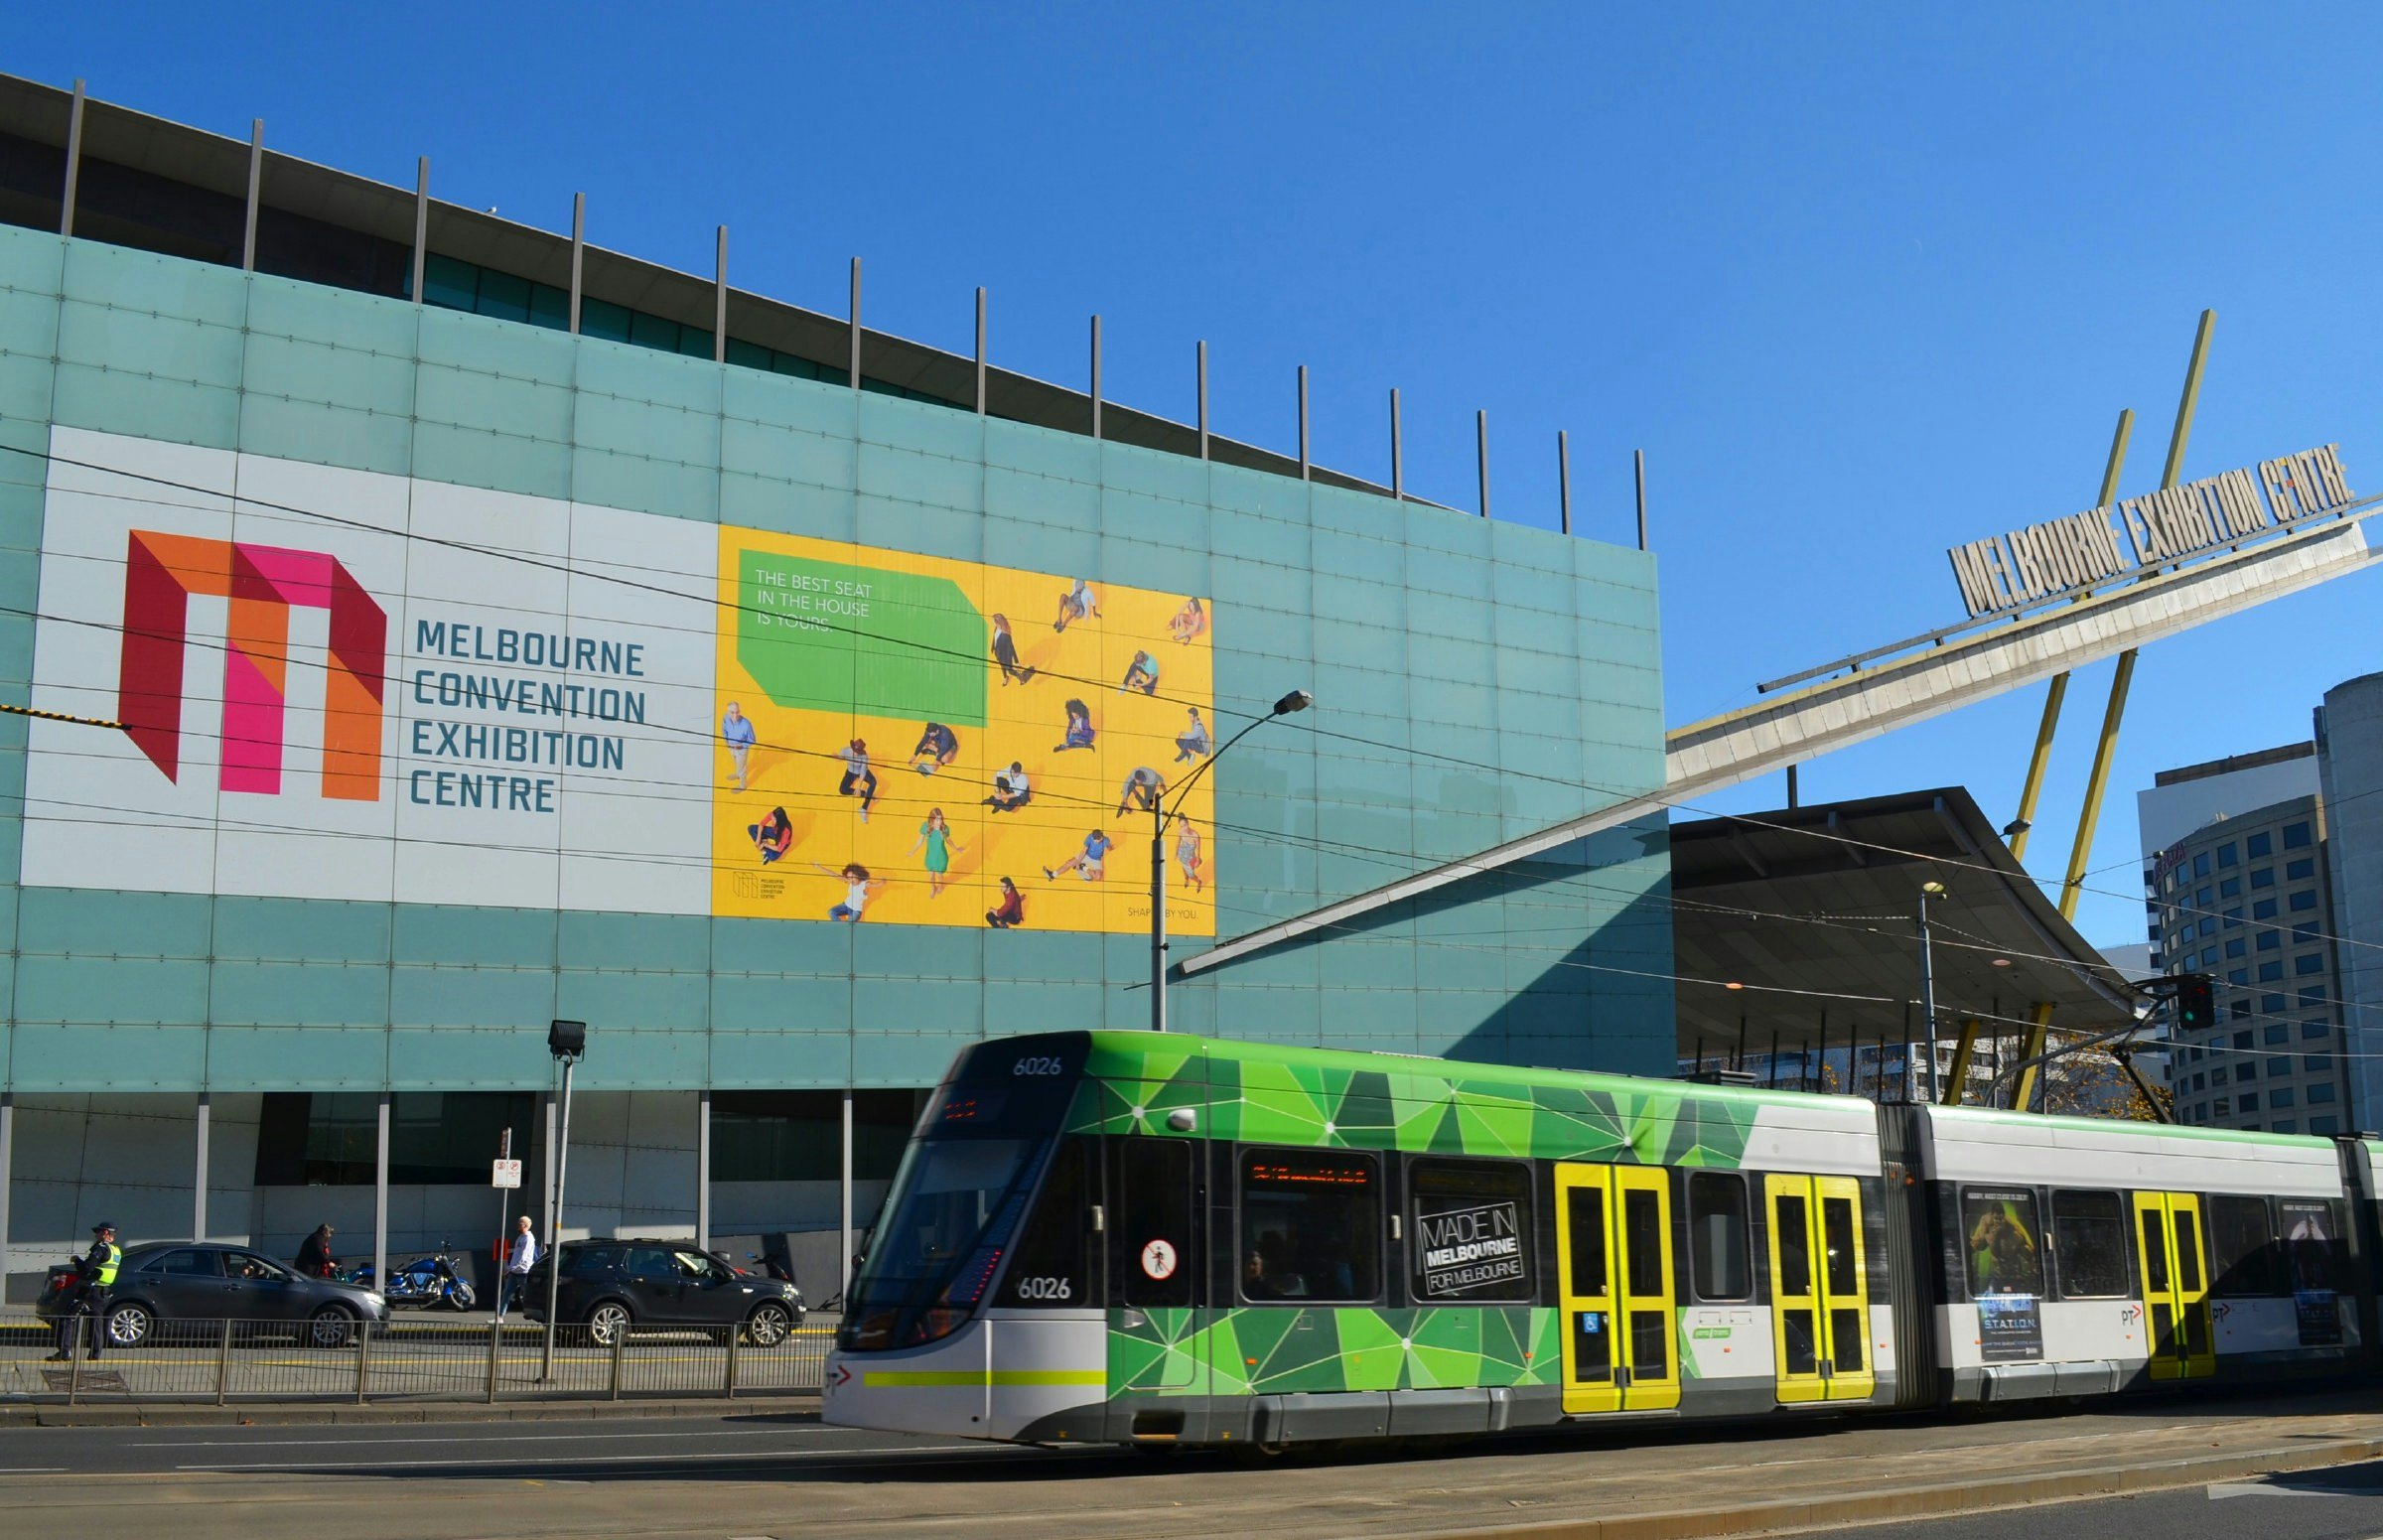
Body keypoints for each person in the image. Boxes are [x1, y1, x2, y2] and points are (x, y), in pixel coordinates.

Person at [49, 1220, 120, 1362]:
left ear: (105, 1233)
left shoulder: (100, 1248)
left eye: (98, 1232)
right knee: (96, 1321)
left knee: (67, 1317)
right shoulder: (116, 1250)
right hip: (104, 1292)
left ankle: (64, 1351)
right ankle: (95, 1354)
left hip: (90, 1291)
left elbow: (87, 1269)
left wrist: (77, 1260)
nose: (96, 1235)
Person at [909, 808, 965, 899]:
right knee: (931, 878)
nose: (939, 822)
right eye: (937, 819)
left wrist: (956, 849)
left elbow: (949, 841)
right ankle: (933, 888)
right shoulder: (926, 827)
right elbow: (920, 841)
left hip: (941, 858)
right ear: (932, 819)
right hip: (930, 857)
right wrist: (912, 851)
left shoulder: (944, 829)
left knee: (939, 876)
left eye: (940, 819)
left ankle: (941, 885)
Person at [817, 862, 889, 922]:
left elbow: (876, 885)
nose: (851, 880)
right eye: (849, 878)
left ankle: (845, 928)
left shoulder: (865, 884)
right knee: (831, 912)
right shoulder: (850, 882)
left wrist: (883, 882)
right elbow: (834, 875)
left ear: (858, 875)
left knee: (849, 925)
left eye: (852, 877)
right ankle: (839, 926)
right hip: (845, 906)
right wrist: (819, 867)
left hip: (856, 911)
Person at [497, 1215, 539, 1321]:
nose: (518, 1225)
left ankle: (530, 1313)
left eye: (520, 1224)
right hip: (515, 1272)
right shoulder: (520, 1237)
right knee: (506, 1293)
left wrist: (510, 1268)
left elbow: (523, 1257)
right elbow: (517, 1252)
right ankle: (500, 1317)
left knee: (526, 1295)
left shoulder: (528, 1239)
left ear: (525, 1225)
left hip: (524, 1272)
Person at [1045, 829, 1113, 883]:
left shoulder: (1106, 840)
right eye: (1095, 840)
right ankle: (1053, 875)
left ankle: (1083, 868)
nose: (1096, 841)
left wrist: (1111, 848)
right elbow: (1083, 851)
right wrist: (1077, 863)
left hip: (1096, 860)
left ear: (1101, 837)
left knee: (1098, 877)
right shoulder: (1090, 837)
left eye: (1098, 840)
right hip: (1086, 855)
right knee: (1069, 863)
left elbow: (1110, 847)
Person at [835, 739, 877, 822]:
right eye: (854, 750)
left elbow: (863, 772)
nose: (855, 753)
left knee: (873, 782)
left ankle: (863, 808)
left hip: (860, 772)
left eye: (857, 751)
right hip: (850, 772)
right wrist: (837, 757)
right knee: (842, 790)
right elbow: (840, 757)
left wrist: (858, 787)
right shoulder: (846, 750)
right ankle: (866, 794)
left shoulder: (864, 756)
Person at [721, 702, 758, 791]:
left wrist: (741, 745)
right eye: (732, 712)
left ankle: (742, 786)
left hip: (741, 750)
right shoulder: (725, 718)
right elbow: (724, 729)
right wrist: (726, 741)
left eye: (737, 712)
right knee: (737, 763)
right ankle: (737, 774)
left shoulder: (746, 724)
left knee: (742, 768)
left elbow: (752, 740)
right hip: (730, 747)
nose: (735, 715)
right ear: (728, 712)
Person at [990, 613, 1036, 685]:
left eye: (993, 621)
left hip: (1006, 655)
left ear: (998, 621)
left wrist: (1016, 660)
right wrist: (993, 647)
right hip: (999, 653)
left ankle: (1021, 677)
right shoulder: (997, 628)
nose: (992, 622)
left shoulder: (1006, 634)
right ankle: (1005, 677)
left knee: (1009, 670)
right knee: (1002, 666)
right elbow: (995, 638)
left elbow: (1011, 647)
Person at [1175, 815, 1204, 893]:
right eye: (1181, 826)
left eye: (1185, 825)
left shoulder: (1195, 835)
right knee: (1184, 868)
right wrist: (1176, 853)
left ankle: (1198, 882)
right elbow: (1178, 842)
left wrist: (1197, 860)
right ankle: (1186, 878)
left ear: (1188, 823)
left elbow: (1198, 849)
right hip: (1182, 854)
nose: (1184, 828)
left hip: (1190, 857)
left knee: (1191, 874)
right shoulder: (1180, 831)